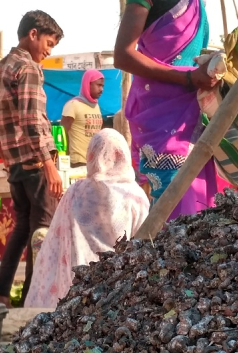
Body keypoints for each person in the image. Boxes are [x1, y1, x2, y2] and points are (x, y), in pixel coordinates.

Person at [114, 0, 221, 220]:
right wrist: (187, 78)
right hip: (159, 115)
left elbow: (192, 55)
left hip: (191, 113)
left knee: (198, 206)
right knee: (171, 207)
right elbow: (123, 56)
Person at [0, 10, 65, 307]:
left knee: (22, 229)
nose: (49, 50)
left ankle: (2, 293)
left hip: (16, 165)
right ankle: (33, 300)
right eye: (48, 43)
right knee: (42, 231)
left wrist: (7, 157)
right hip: (34, 162)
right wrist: (49, 165)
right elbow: (31, 119)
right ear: (33, 34)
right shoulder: (27, 68)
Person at [24, 130, 150, 309]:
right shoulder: (135, 196)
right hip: (119, 292)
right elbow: (144, 244)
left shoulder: (76, 192)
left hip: (74, 289)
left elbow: (56, 240)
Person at [61, 70, 105, 167]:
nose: (101, 89)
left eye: (102, 86)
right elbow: (62, 135)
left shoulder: (96, 106)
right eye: (98, 85)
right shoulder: (73, 105)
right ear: (87, 84)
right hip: (78, 162)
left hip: (95, 162)